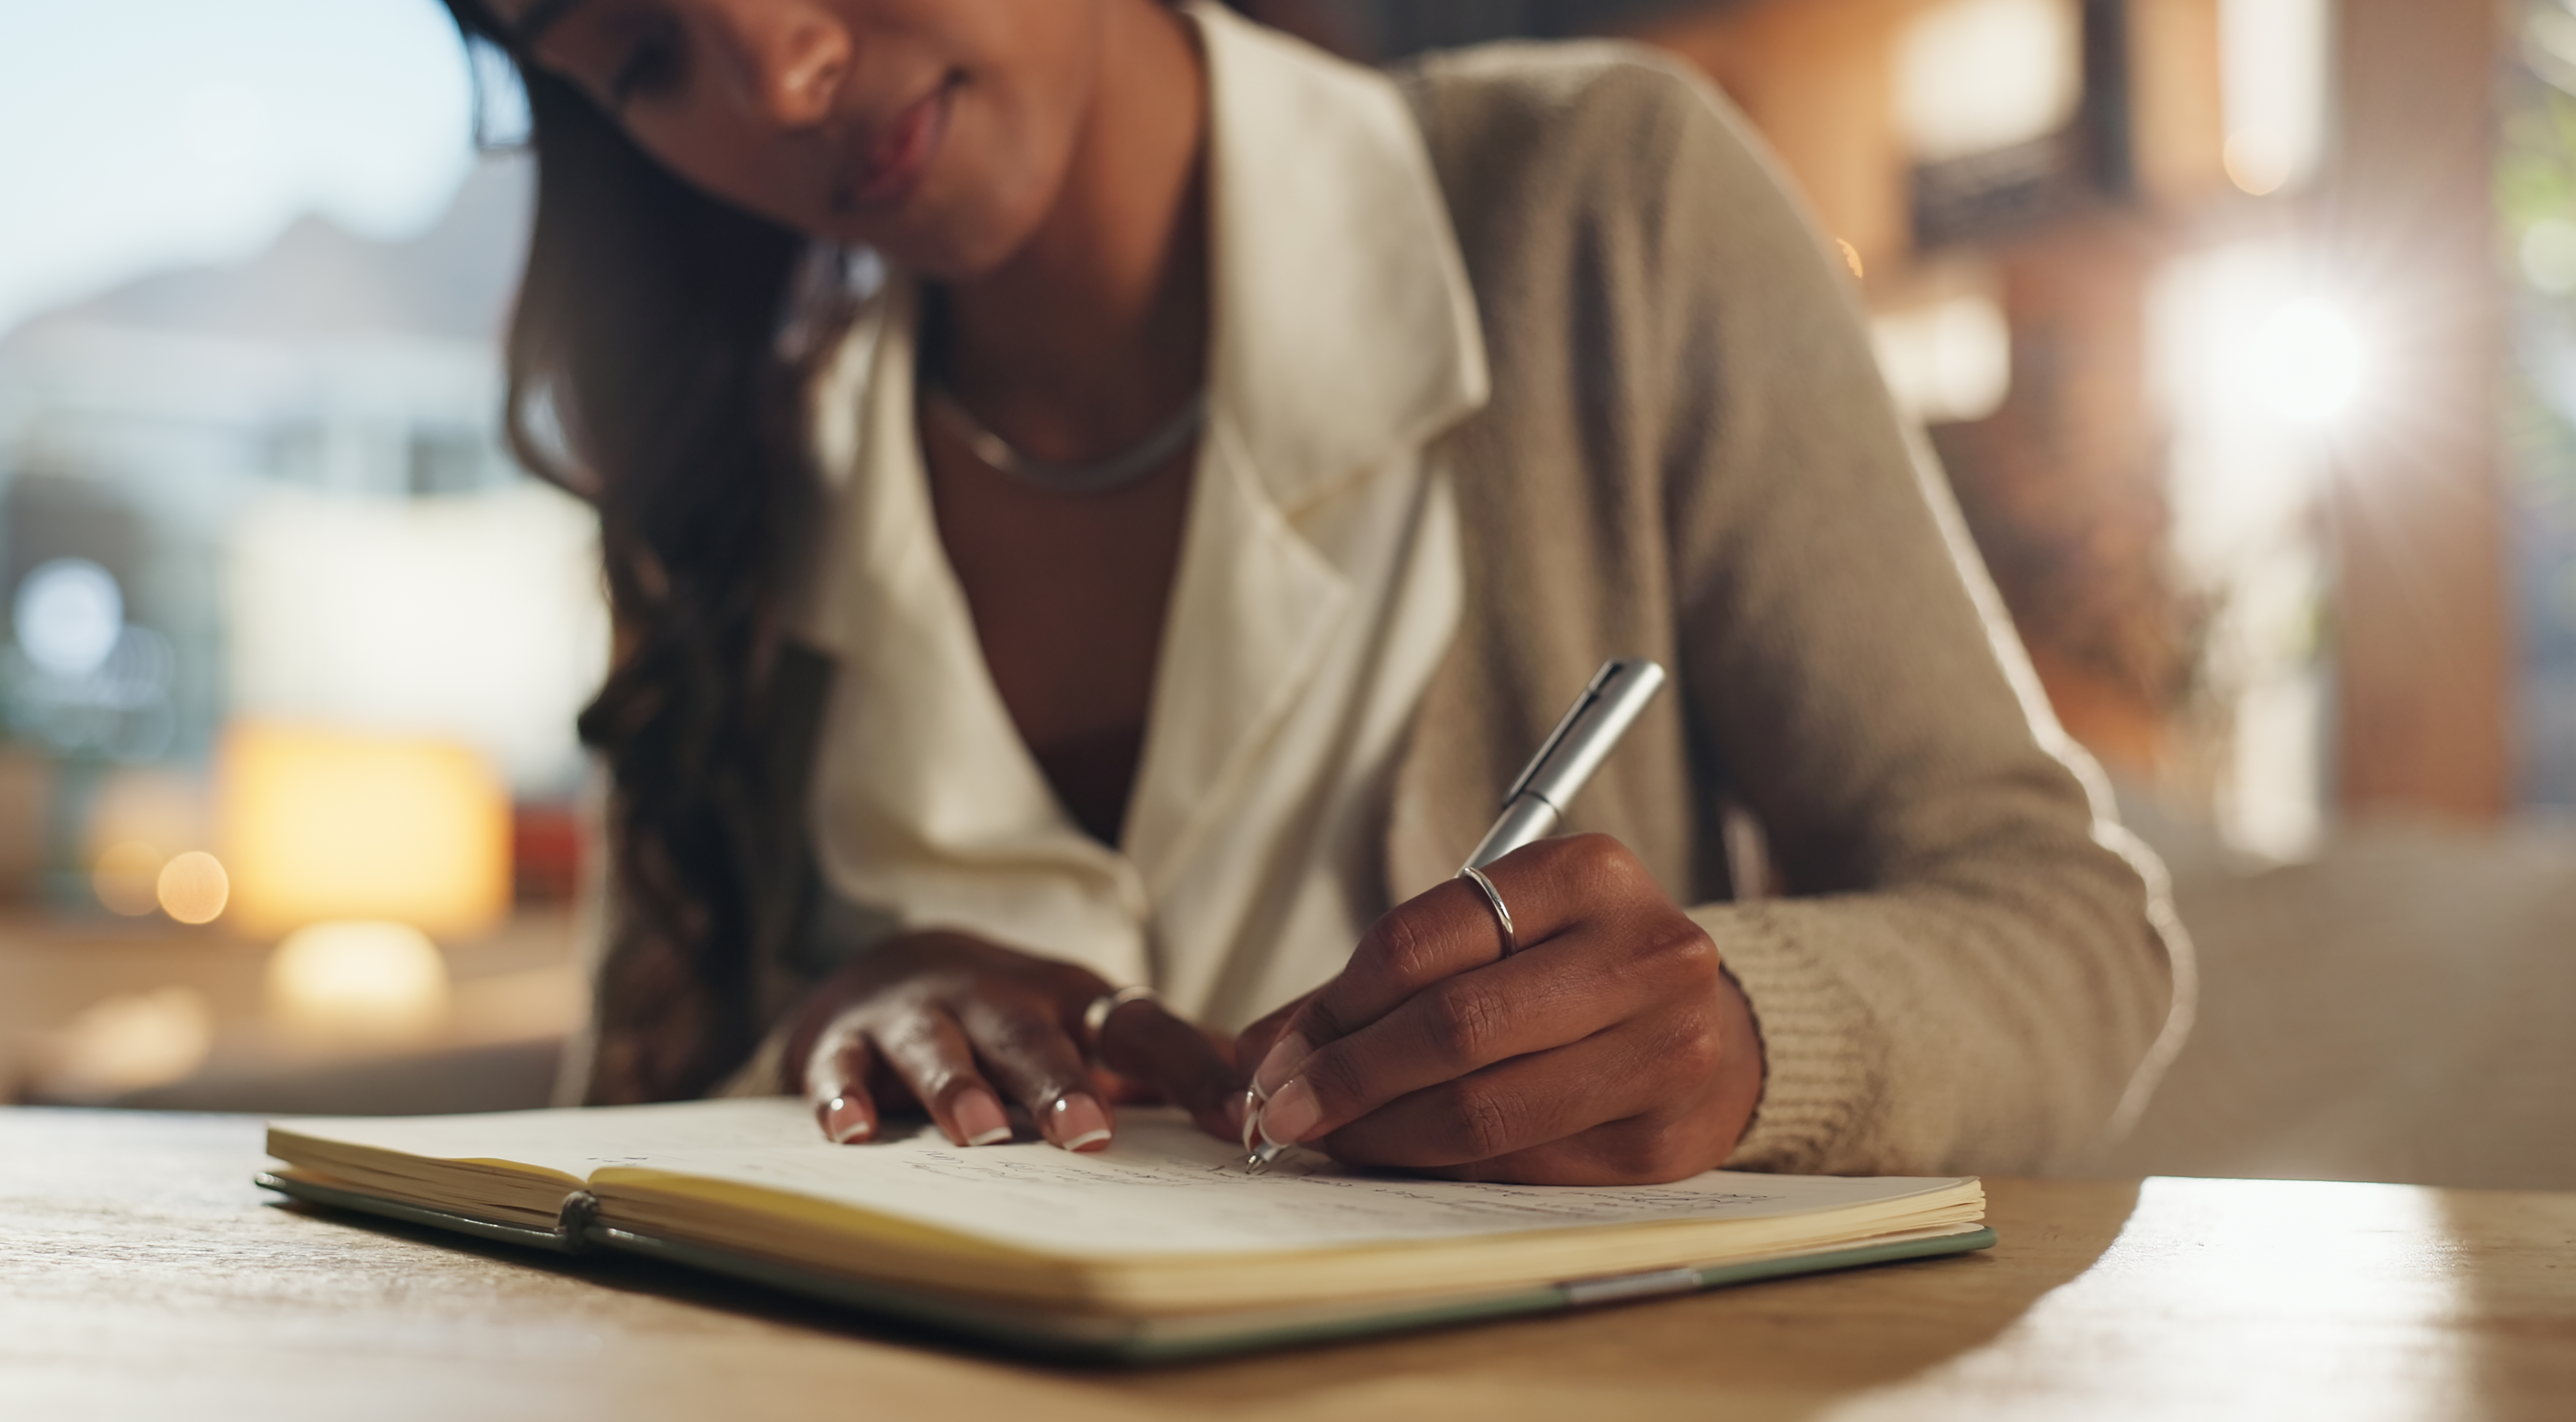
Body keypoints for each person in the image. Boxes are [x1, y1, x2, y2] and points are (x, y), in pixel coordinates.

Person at [445, 0, 2183, 1184]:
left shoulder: (1606, 210)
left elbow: (2072, 936)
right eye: (644, 55)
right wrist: (810, 1051)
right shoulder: (727, 465)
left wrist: (1736, 1035)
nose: (779, 72)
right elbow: (612, 1146)